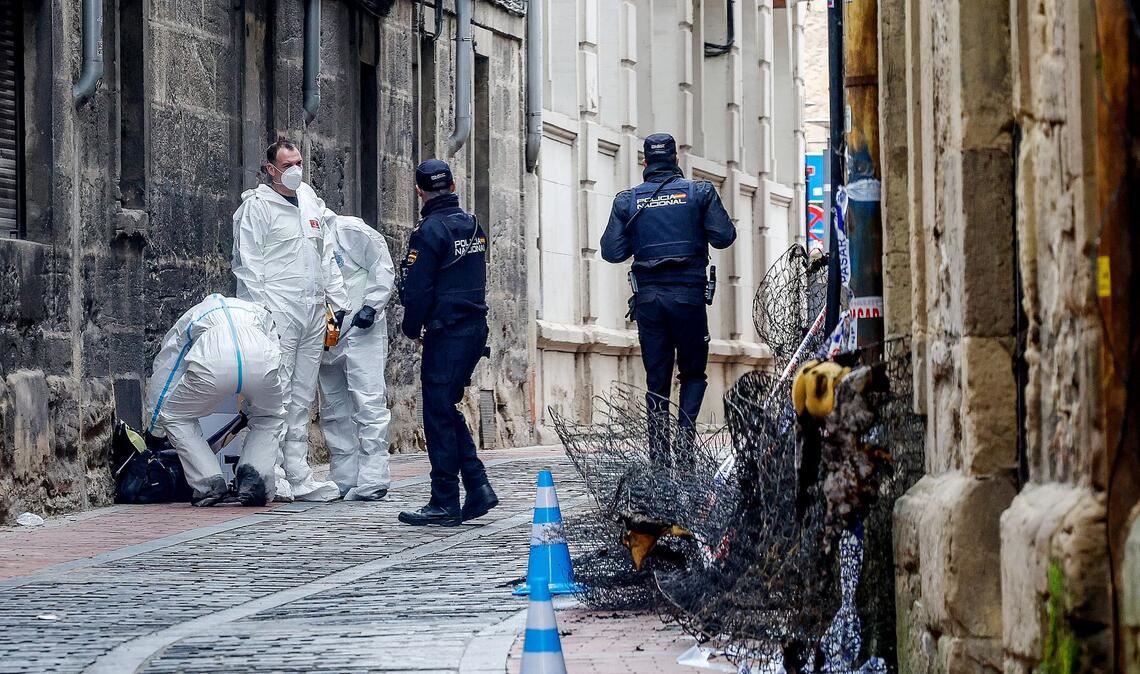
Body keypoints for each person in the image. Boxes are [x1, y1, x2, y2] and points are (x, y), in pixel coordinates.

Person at [600, 133, 736, 458]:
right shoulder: (699, 193)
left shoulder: (628, 201)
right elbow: (724, 237)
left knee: (656, 380)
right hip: (688, 298)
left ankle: (660, 459)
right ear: (676, 159)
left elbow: (612, 252)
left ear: (645, 162)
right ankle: (685, 447)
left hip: (649, 302)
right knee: (693, 373)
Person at [231, 137, 347, 502]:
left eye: (298, 163)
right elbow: (248, 264)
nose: (295, 170)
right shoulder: (257, 207)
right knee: (275, 393)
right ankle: (272, 472)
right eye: (287, 165)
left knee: (302, 394)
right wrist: (260, 314)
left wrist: (337, 301)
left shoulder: (310, 200)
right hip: (279, 308)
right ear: (271, 169)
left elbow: (325, 252)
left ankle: (298, 473)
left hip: (312, 308)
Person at [396, 159, 498, 526]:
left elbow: (418, 290)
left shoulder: (429, 232)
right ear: (453, 186)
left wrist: (411, 328)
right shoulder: (472, 225)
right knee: (446, 408)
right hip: (474, 329)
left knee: (438, 415)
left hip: (448, 332)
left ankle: (444, 500)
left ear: (419, 191)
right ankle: (477, 485)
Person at [144, 294, 284, 506]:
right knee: (269, 417)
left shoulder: (193, 316)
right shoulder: (258, 312)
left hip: (212, 365)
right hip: (261, 362)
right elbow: (276, 355)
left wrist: (155, 429)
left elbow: (168, 371)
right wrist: (258, 405)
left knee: (174, 416)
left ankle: (209, 483)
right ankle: (253, 479)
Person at [318, 215, 396, 501]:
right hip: (326, 333)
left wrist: (373, 305)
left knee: (368, 400)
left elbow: (381, 263)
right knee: (334, 406)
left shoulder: (346, 230)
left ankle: (374, 476)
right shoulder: (298, 239)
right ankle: (344, 476)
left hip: (362, 328)